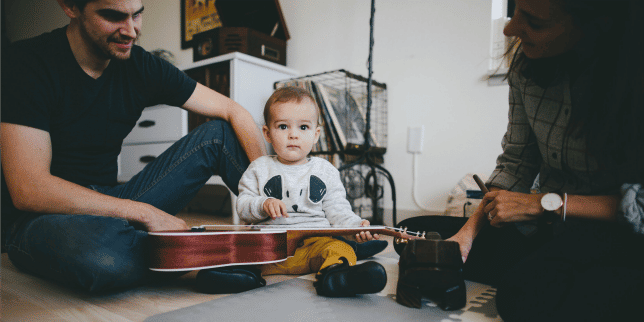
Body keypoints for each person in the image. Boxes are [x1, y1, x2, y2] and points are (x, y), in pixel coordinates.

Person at [0, 0, 267, 293]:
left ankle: (292, 233)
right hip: (40, 219)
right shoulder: (26, 62)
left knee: (217, 135)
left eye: (137, 14)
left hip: (113, 201)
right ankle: (211, 254)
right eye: (113, 16)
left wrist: (271, 186)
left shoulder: (141, 65)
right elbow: (29, 188)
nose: (131, 30)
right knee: (102, 258)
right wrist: (145, 213)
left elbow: (234, 112)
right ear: (71, 7)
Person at [423, 0, 643, 321]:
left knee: (523, 297)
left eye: (534, 22)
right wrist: (467, 235)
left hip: (621, 237)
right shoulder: (527, 70)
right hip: (550, 230)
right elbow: (515, 163)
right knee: (416, 235)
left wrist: (543, 204)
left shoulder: (632, 85)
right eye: (515, 11)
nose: (509, 29)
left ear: (596, 28)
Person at [194, 87, 388, 296]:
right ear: (267, 133)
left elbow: (338, 210)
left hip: (314, 246)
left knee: (341, 249)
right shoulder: (259, 168)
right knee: (240, 252)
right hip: (269, 249)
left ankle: (335, 276)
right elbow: (243, 206)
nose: (293, 134)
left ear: (316, 135)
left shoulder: (325, 171)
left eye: (303, 127)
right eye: (283, 126)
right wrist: (263, 204)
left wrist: (356, 226)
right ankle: (242, 277)